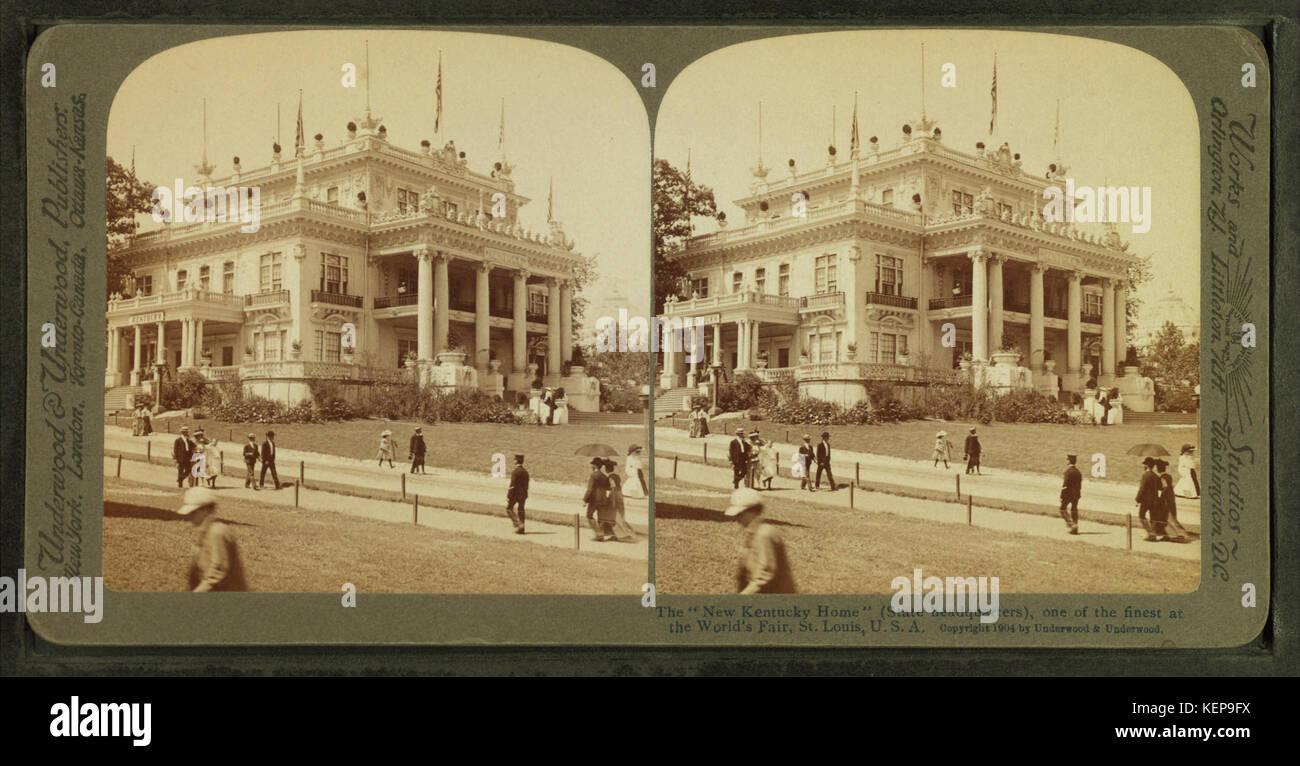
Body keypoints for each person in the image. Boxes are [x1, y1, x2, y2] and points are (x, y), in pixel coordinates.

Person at [726, 488, 796, 594]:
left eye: (740, 513)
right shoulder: (753, 533)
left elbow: (765, 574)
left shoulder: (764, 534)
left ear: (753, 511)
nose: (737, 518)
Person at [177, 487, 248, 592]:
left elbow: (217, 571)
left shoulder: (217, 532)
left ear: (205, 510)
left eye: (193, 512)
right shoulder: (205, 532)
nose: (189, 517)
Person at [1157, 459, 1188, 542]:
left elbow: (1165, 487)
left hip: (1166, 501)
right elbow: (1169, 486)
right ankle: (1168, 535)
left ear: (1158, 468)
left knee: (1170, 518)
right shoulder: (1169, 476)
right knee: (1168, 518)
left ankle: (1182, 534)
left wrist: (1160, 497)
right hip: (1171, 499)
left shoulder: (1162, 477)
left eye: (1157, 467)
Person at [583, 457, 613, 541]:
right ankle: (602, 534)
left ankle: (599, 534)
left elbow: (590, 489)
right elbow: (608, 487)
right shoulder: (604, 476)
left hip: (594, 499)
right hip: (603, 499)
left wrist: (585, 500)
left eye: (592, 464)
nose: (591, 466)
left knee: (589, 516)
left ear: (595, 466)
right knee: (601, 518)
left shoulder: (593, 475)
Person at [1135, 456, 1165, 542]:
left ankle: (1150, 533)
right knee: (1153, 518)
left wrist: (1137, 499)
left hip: (1145, 500)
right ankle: (1153, 535)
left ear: (1147, 465)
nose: (1143, 465)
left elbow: (1142, 489)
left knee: (1141, 516)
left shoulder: (1145, 475)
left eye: (1144, 464)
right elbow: (1161, 488)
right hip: (1155, 500)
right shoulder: (1156, 476)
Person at [605, 459, 636, 539]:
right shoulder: (617, 476)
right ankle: (627, 532)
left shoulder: (610, 477)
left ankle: (621, 534)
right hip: (620, 495)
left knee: (614, 515)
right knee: (620, 515)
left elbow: (613, 487)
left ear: (607, 469)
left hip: (614, 495)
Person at [1059, 454, 1083, 534]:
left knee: (1062, 509)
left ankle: (1072, 525)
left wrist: (1062, 496)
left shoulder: (1068, 472)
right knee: (1074, 510)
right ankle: (1075, 526)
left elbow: (1065, 486)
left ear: (1069, 461)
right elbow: (1079, 485)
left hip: (1068, 494)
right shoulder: (1078, 472)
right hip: (1076, 494)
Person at [505, 454, 529, 534]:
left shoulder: (515, 472)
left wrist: (509, 495)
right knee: (521, 510)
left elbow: (512, 485)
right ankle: (522, 528)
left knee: (509, 508)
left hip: (515, 494)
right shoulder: (526, 472)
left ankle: (518, 524)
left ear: (516, 461)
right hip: (523, 494)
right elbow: (526, 485)